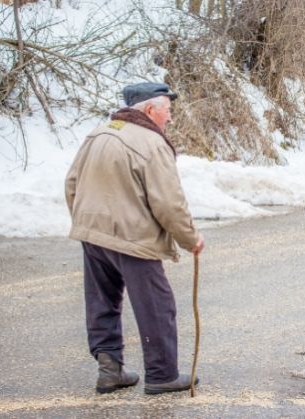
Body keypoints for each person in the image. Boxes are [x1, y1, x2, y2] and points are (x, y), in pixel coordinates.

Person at [65, 82, 205, 395]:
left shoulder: (98, 133)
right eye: (167, 111)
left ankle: (110, 370)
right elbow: (169, 203)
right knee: (157, 305)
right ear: (150, 109)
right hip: (132, 237)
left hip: (92, 233)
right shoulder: (151, 144)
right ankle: (162, 375)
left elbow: (71, 183)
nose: (170, 119)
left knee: (102, 302)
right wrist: (190, 238)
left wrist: (85, 220)